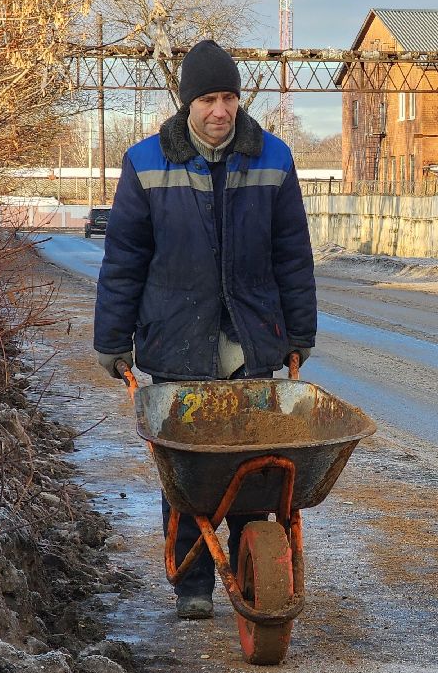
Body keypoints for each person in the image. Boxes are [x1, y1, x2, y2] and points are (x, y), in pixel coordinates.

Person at [92, 39, 317, 620]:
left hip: (250, 339)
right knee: (186, 472)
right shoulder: (146, 162)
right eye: (209, 98)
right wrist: (113, 340)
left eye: (230, 97)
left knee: (253, 464)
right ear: (186, 101)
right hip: (175, 337)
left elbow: (293, 255)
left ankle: (249, 560)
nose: (221, 110)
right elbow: (124, 259)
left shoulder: (273, 158)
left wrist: (299, 332)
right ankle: (193, 585)